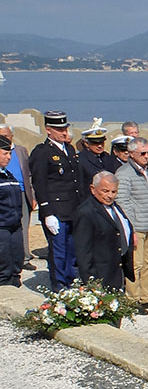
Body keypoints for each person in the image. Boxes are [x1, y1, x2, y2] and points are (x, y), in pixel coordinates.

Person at [29, 110, 81, 291]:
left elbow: (76, 181)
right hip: (56, 210)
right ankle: (59, 286)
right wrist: (47, 212)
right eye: (59, 129)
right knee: (59, 251)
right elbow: (40, 183)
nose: (64, 132)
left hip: (73, 208)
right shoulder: (42, 152)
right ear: (48, 130)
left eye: (65, 128)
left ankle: (70, 280)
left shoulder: (70, 149)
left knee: (72, 249)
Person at [116, 137, 148, 312]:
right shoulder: (124, 173)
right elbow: (123, 203)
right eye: (142, 153)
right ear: (131, 154)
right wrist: (132, 229)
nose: (146, 156)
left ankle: (146, 297)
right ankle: (132, 299)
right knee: (136, 264)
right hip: (137, 227)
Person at [73, 172, 134, 293]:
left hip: (116, 270)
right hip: (100, 274)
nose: (110, 196)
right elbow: (83, 252)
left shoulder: (114, 207)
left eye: (114, 192)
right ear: (93, 189)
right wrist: (91, 282)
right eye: (105, 191)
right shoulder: (86, 212)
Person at [0, 125, 36, 270]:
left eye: (6, 135)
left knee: (23, 226)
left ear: (12, 136)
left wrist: (33, 195)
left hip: (21, 191)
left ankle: (24, 258)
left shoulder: (21, 150)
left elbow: (29, 174)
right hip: (5, 192)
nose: (4, 138)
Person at [0, 135, 25, 286]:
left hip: (15, 226)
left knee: (16, 262)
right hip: (2, 228)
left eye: (10, 153)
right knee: (3, 267)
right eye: (5, 153)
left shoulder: (8, 174)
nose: (9, 157)